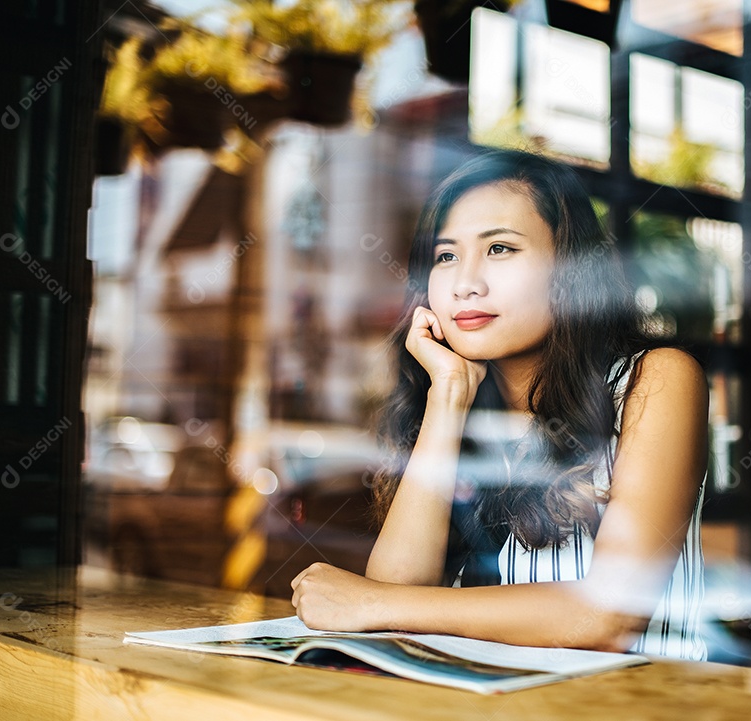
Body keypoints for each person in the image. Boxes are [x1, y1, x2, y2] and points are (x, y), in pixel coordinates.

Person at [291, 148, 708, 659]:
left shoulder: (655, 380)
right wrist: (448, 394)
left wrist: (373, 602)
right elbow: (397, 593)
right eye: (446, 256)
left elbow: (607, 615)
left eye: (500, 249)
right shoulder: (458, 412)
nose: (466, 283)